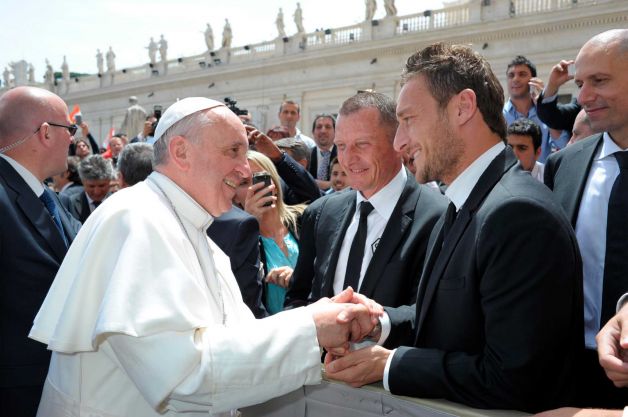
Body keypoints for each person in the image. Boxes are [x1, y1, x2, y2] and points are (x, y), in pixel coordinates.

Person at [29, 97, 380, 417]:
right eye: (233, 152)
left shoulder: (193, 228)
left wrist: (318, 317)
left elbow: (238, 339)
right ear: (181, 152)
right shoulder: (136, 220)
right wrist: (310, 329)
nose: (245, 170)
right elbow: (182, 378)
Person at [324, 43, 583, 413]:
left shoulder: (518, 213)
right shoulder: (466, 202)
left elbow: (514, 379)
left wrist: (391, 364)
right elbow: (447, 319)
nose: (399, 143)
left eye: (409, 120)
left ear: (463, 107)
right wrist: (378, 321)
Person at [285, 91, 447, 310]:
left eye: (361, 144)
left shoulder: (439, 217)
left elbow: (432, 315)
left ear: (398, 143)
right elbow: (298, 298)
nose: (348, 158)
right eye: (341, 146)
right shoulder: (321, 214)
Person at [543, 29, 628, 409]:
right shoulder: (564, 165)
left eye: (599, 81)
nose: (582, 97)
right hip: (569, 373)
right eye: (580, 83)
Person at [0, 86, 81, 417]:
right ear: (46, 133)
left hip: (53, 385)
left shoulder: (51, 199)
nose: (74, 140)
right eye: (70, 129)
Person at [241, 151, 305, 314]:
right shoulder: (236, 239)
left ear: (274, 185)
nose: (252, 188)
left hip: (315, 326)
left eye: (259, 179)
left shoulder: (304, 219)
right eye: (243, 182)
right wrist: (247, 224)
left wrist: (297, 279)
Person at [503, 55, 565, 162]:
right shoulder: (498, 116)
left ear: (534, 81)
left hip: (541, 177)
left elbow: (564, 145)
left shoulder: (546, 114)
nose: (515, 79)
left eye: (522, 74)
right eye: (511, 75)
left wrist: (545, 106)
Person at [61, 154, 114, 223]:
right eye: (91, 186)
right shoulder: (70, 204)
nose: (97, 192)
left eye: (102, 186)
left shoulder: (119, 202)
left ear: (109, 181)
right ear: (83, 182)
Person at [308, 114, 337, 190]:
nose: (323, 131)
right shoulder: (306, 155)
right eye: (319, 127)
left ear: (335, 132)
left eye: (328, 127)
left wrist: (313, 183)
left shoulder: (343, 155)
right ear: (313, 132)